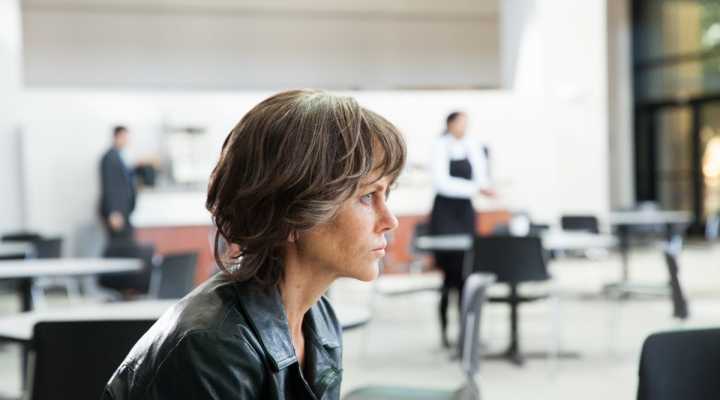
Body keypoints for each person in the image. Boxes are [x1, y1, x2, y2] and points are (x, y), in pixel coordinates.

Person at [102, 90, 406, 400]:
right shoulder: (213, 348)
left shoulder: (319, 317)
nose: (390, 220)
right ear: (292, 212)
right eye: (367, 196)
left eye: (386, 194)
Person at [429, 111, 493, 348]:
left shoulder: (472, 145)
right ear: (450, 124)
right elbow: (441, 183)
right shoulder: (440, 146)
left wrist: (483, 188)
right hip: (445, 213)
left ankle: (468, 334)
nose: (464, 127)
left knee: (467, 276)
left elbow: (482, 178)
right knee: (449, 277)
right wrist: (475, 189)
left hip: (465, 212)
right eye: (460, 123)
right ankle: (446, 334)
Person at [99, 125, 137, 244]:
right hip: (116, 213)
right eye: (124, 137)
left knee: (126, 243)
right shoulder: (109, 158)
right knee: (119, 246)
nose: (126, 141)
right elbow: (109, 186)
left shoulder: (120, 157)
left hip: (123, 211)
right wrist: (113, 212)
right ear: (116, 137)